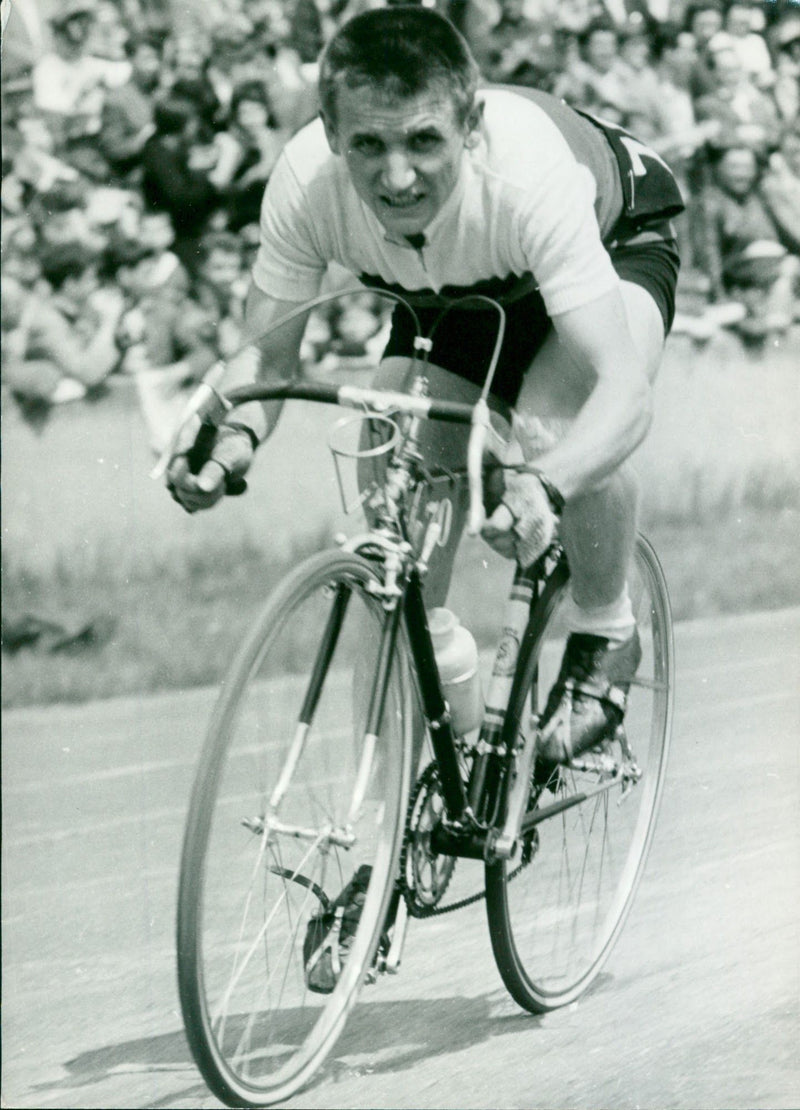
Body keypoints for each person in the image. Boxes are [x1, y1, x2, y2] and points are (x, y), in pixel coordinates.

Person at [166, 6, 684, 777]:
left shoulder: (526, 177)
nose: (397, 176)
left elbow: (622, 391)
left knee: (550, 433)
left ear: (469, 124)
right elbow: (262, 360)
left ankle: (604, 631)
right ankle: (426, 785)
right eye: (367, 145)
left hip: (606, 243)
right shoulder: (306, 182)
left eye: (424, 141)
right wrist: (230, 434)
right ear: (332, 132)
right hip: (453, 286)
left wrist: (545, 486)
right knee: (397, 493)